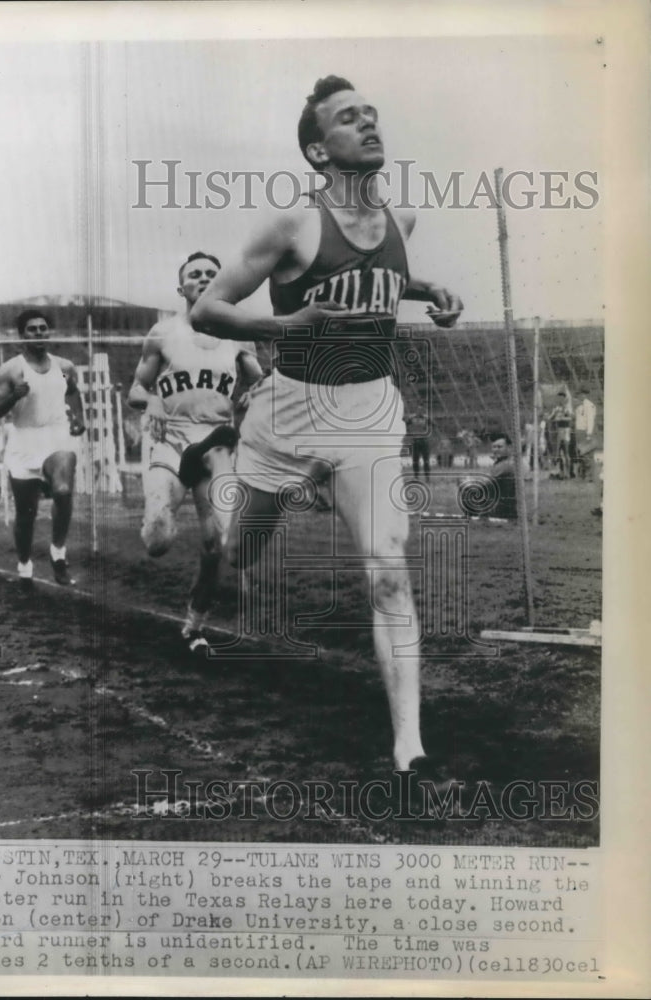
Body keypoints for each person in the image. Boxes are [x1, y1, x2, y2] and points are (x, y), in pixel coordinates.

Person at [191, 76, 463, 774]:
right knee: (239, 552)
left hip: (368, 413)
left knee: (389, 571)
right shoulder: (293, 224)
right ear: (319, 150)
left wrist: (432, 291)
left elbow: (384, 279)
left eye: (373, 114)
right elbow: (209, 310)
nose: (369, 125)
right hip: (289, 412)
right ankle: (243, 519)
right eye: (349, 119)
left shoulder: (401, 224)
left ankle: (410, 749)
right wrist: (286, 323)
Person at [128, 252, 263, 654]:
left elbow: (257, 384)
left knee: (217, 541)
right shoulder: (164, 331)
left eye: (211, 274)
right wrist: (149, 401)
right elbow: (137, 387)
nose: (203, 279)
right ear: (181, 287)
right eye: (195, 274)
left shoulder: (238, 335)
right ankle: (155, 513)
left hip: (214, 441)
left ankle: (195, 625)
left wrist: (256, 396)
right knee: (158, 541)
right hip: (169, 437)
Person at [0, 309, 85, 591]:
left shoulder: (65, 366)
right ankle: (25, 566)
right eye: (32, 329)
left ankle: (58, 552)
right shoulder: (11, 370)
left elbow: (73, 392)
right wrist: (12, 397)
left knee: (63, 490)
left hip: (57, 434)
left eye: (43, 328)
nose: (39, 333)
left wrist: (78, 419)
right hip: (24, 438)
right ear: (22, 335)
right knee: (26, 515)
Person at [405, 408, 431, 478]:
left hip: (424, 441)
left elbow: (433, 426)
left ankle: (427, 476)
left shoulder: (426, 418)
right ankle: (416, 476)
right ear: (416, 411)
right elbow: (405, 425)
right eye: (418, 410)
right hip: (415, 441)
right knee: (415, 460)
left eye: (421, 410)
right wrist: (409, 433)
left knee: (426, 460)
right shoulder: (412, 418)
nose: (420, 412)